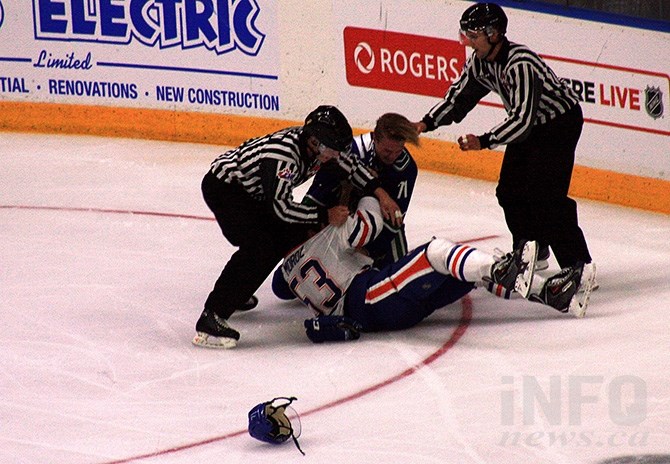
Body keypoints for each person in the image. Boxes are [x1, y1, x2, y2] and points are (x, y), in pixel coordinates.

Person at [413, 3, 594, 286]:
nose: (468, 42)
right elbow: (458, 98)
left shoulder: (520, 63)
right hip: (531, 126)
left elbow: (522, 120)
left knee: (547, 196)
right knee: (509, 191)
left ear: (494, 34)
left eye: (474, 35)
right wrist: (426, 123)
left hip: (559, 123)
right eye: (466, 35)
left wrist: (483, 141)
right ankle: (531, 250)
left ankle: (577, 267)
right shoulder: (479, 61)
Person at [194, 105, 402, 349]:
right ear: (315, 142)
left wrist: (380, 193)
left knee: (273, 242)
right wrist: (324, 216)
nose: (337, 154)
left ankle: (235, 292)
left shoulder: (322, 148)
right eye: (332, 149)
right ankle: (212, 316)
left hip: (253, 195)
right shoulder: (283, 157)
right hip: (226, 190)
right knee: (260, 246)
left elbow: (352, 167)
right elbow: (281, 210)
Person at [272, 196, 596, 343]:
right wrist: (369, 195)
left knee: (463, 268)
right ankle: (503, 271)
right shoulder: (326, 235)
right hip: (372, 298)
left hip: (379, 314)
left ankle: (551, 293)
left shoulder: (286, 271)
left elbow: (278, 288)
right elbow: (367, 226)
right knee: (437, 252)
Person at [302, 113, 420, 268]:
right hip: (337, 216)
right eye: (387, 151)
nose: (393, 157)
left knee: (398, 277)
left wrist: (369, 251)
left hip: (377, 226)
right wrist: (307, 226)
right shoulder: (350, 150)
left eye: (398, 151)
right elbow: (321, 189)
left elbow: (395, 218)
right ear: (375, 139)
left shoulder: (407, 169)